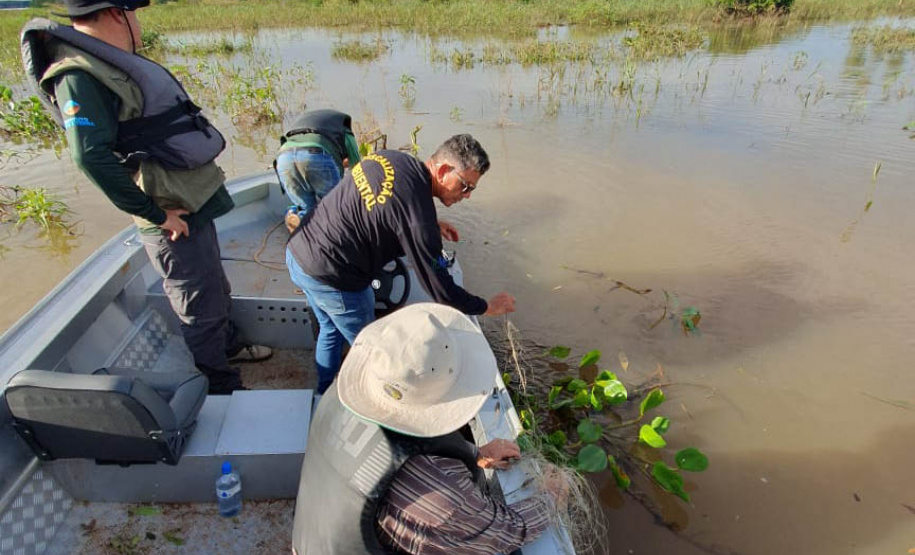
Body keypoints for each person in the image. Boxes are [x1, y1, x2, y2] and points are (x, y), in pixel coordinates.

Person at [20, 0, 270, 394]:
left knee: (214, 287)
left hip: (189, 201)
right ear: (114, 14)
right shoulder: (78, 74)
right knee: (197, 305)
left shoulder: (104, 63)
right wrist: (155, 214)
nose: (136, 20)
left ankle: (230, 347)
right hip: (169, 213)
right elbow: (89, 155)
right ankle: (222, 388)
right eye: (132, 12)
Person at [291, 303, 569, 555]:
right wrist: (552, 494)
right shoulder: (442, 496)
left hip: (308, 541)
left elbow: (397, 446)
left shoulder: (338, 395)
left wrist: (475, 454)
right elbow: (506, 532)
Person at [286, 134, 516, 394]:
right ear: (442, 170)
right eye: (465, 186)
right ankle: (373, 411)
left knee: (330, 329)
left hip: (299, 253)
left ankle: (323, 389)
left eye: (472, 189)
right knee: (376, 356)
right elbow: (441, 290)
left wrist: (431, 226)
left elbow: (383, 207)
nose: (468, 196)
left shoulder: (392, 159)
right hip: (334, 278)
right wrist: (486, 307)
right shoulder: (418, 218)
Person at [274, 108, 361, 231]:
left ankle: (297, 216)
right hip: (315, 155)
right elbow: (358, 166)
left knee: (306, 207)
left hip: (284, 158)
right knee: (335, 206)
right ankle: (334, 231)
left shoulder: (303, 126)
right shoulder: (344, 130)